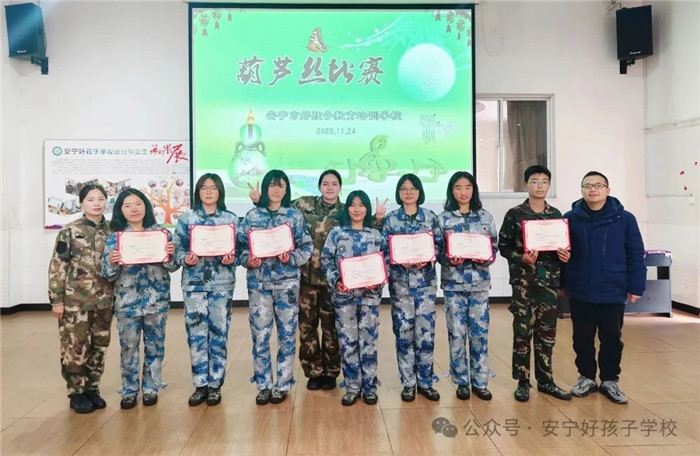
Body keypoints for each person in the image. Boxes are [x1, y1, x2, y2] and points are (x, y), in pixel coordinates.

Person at [248, 171, 387, 391]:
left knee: (332, 328)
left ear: (340, 187)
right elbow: (277, 208)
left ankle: (331, 372)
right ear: (319, 186)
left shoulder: (348, 209)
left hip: (337, 282)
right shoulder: (303, 205)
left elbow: (367, 234)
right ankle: (313, 371)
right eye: (325, 183)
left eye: (334, 184)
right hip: (306, 279)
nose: (330, 187)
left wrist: (378, 219)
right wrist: (258, 201)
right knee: (307, 327)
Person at [564, 171, 646, 404]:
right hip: (580, 288)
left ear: (608, 190)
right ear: (581, 190)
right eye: (588, 185)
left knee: (611, 338)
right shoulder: (570, 218)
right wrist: (562, 284)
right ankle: (586, 378)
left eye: (598, 185)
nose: (593, 189)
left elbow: (635, 253)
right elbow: (562, 254)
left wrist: (636, 285)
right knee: (582, 337)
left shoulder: (625, 218)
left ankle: (610, 380)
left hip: (613, 288)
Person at [238, 170, 313, 405]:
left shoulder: (294, 216)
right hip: (259, 286)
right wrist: (247, 260)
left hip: (287, 285)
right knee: (260, 336)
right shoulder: (252, 216)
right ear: (265, 189)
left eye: (281, 185)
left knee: (287, 336)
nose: (276, 189)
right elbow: (239, 247)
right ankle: (263, 385)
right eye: (272, 185)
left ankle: (282, 384)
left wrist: (290, 259)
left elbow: (307, 247)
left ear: (286, 189)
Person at [498, 165, 572, 402]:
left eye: (544, 182)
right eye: (534, 181)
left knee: (547, 334)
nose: (540, 186)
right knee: (522, 333)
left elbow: (564, 246)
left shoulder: (556, 215)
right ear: (526, 184)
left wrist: (566, 255)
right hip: (524, 283)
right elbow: (504, 247)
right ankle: (522, 382)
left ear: (549, 185)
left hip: (549, 283)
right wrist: (521, 258)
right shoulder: (514, 214)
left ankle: (546, 381)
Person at [102, 188, 179, 409]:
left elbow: (173, 266)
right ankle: (129, 390)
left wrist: (170, 253)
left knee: (155, 346)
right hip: (127, 302)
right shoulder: (116, 238)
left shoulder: (162, 234)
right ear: (121, 210)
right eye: (127, 205)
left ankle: (151, 388)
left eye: (138, 204)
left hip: (156, 301)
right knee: (129, 347)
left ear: (146, 206)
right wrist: (112, 261)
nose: (134, 209)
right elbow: (107, 274)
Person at [173, 173, 238, 407]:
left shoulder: (231, 219)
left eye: (213, 188)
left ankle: (215, 385)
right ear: (197, 192)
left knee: (219, 334)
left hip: (221, 284)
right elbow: (177, 248)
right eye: (203, 188)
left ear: (220, 191)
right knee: (196, 335)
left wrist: (233, 258)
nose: (208, 192)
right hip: (194, 285)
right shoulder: (187, 218)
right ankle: (200, 384)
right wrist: (185, 259)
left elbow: (242, 249)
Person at [48, 184, 114, 414]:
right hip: (75, 302)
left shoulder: (113, 231)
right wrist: (56, 300)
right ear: (82, 203)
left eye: (101, 199)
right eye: (90, 199)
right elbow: (58, 265)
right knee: (75, 347)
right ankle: (76, 392)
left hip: (104, 301)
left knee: (99, 346)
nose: (96, 203)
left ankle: (92, 388)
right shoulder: (70, 231)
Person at [321, 190, 387, 406]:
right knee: (348, 342)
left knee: (369, 343)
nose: (357, 209)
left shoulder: (375, 235)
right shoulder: (337, 233)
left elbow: (386, 262)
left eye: (361, 205)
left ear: (367, 209)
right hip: (344, 298)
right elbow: (326, 259)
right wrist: (336, 280)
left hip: (369, 298)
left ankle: (369, 387)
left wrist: (378, 281)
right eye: (352, 204)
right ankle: (352, 387)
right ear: (346, 208)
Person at [382, 174, 442, 402]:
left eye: (413, 188)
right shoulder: (391, 220)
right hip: (400, 286)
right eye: (404, 189)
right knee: (404, 335)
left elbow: (440, 246)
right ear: (398, 193)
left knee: (425, 335)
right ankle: (408, 383)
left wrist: (427, 257)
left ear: (419, 192)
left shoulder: (430, 217)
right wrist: (398, 260)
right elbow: (383, 250)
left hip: (425, 285)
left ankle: (426, 382)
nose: (408, 192)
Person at [438, 172, 497, 401]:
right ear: (451, 191)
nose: (463, 192)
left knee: (480, 334)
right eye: (458, 187)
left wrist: (486, 257)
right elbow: (437, 250)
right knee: (457, 334)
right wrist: (448, 258)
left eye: (468, 187)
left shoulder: (485, 217)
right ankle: (461, 381)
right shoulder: (443, 219)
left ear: (474, 190)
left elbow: (493, 247)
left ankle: (481, 382)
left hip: (479, 285)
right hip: (454, 285)